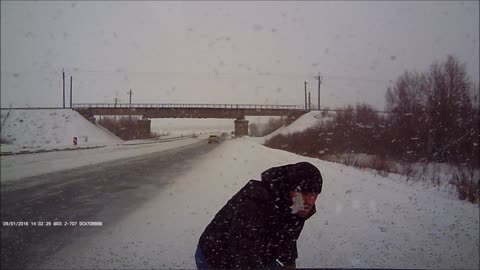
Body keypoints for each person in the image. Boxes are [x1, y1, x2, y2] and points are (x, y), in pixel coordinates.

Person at [196, 161, 323, 269]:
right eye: (305, 193)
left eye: (314, 195)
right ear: (290, 188)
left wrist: (289, 263)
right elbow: (243, 253)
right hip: (214, 256)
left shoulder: (298, 205)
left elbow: (288, 236)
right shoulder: (255, 201)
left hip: (258, 253)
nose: (310, 201)